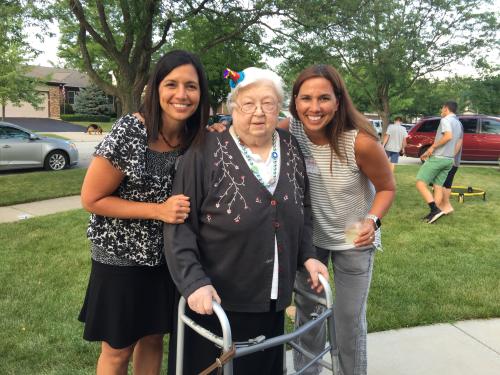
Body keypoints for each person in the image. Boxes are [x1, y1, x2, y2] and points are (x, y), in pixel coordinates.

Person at [164, 67, 329, 375]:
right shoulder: (202, 152)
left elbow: (302, 208)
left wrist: (307, 255)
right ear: (231, 107)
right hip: (216, 298)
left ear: (278, 108)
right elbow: (179, 226)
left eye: (268, 103)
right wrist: (194, 282)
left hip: (272, 299)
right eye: (248, 103)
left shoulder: (289, 146)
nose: (258, 113)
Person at [78, 50, 210, 375]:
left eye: (191, 86)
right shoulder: (132, 131)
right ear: (156, 89)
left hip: (165, 257)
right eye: (172, 84)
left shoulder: (193, 137)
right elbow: (92, 198)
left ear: (201, 93)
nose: (182, 94)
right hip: (120, 257)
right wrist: (158, 210)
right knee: (118, 349)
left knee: (153, 339)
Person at [279, 64, 395, 375]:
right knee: (309, 316)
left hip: (353, 236)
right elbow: (253, 131)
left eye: (323, 98)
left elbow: (386, 187)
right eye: (305, 98)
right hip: (309, 238)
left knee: (347, 321)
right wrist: (222, 129)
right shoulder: (292, 130)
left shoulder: (360, 142)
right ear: (295, 101)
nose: (314, 108)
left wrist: (373, 221)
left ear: (338, 101)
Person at [416, 101, 462, 223]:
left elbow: (448, 136)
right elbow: (458, 142)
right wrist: (452, 157)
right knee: (438, 186)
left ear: (446, 108)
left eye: (442, 108)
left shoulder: (445, 120)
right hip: (449, 160)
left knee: (420, 183)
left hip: (438, 158)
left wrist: (432, 147)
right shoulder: (458, 123)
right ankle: (434, 213)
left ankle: (434, 210)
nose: (441, 111)